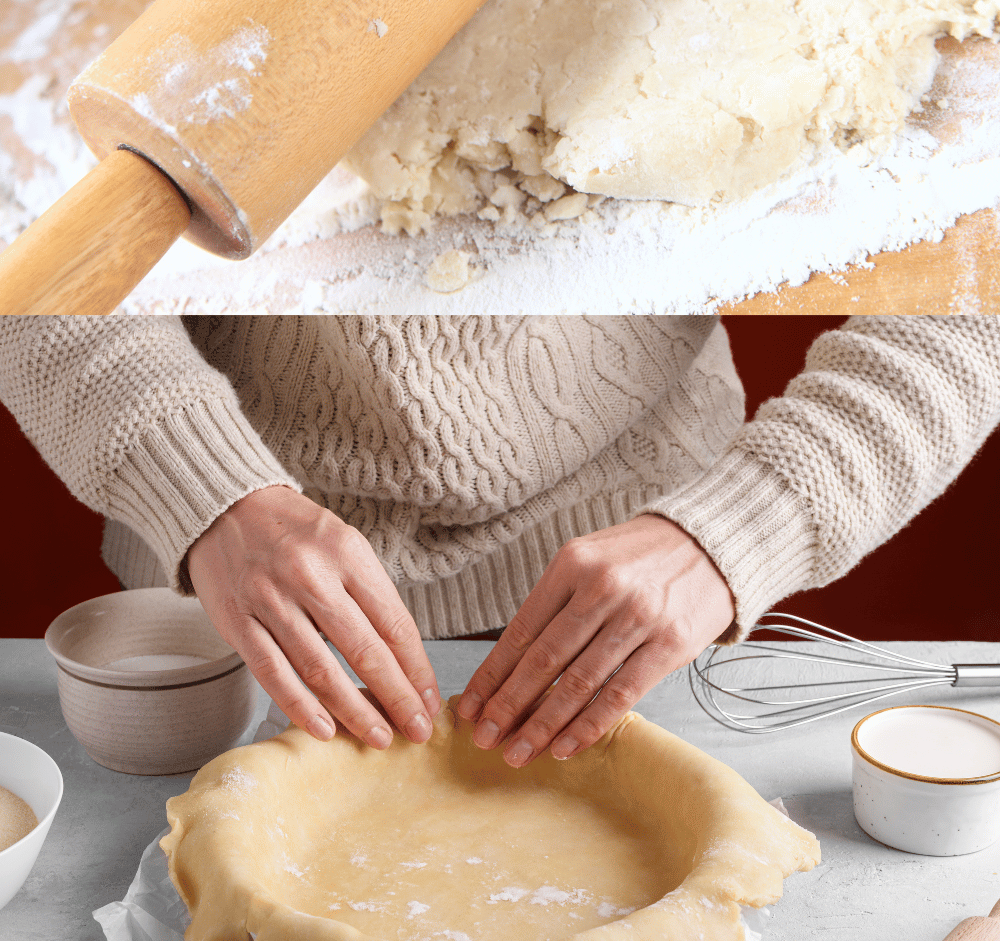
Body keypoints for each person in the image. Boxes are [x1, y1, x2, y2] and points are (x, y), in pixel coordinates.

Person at [2, 316, 997, 769]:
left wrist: (746, 522)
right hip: (234, 584)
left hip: (650, 594)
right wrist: (203, 487)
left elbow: (971, 287)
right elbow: (27, 223)